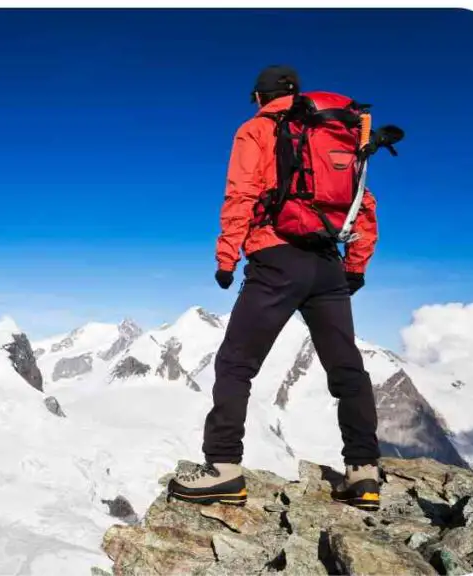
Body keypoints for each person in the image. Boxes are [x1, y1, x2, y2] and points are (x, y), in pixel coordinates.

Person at [168, 65, 382, 511]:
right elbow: (362, 201)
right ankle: (363, 474)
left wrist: (227, 255)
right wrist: (355, 266)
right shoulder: (335, 130)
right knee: (347, 371)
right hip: (329, 263)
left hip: (276, 258)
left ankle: (223, 469)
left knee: (235, 364)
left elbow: (241, 192)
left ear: (259, 96)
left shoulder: (258, 129)